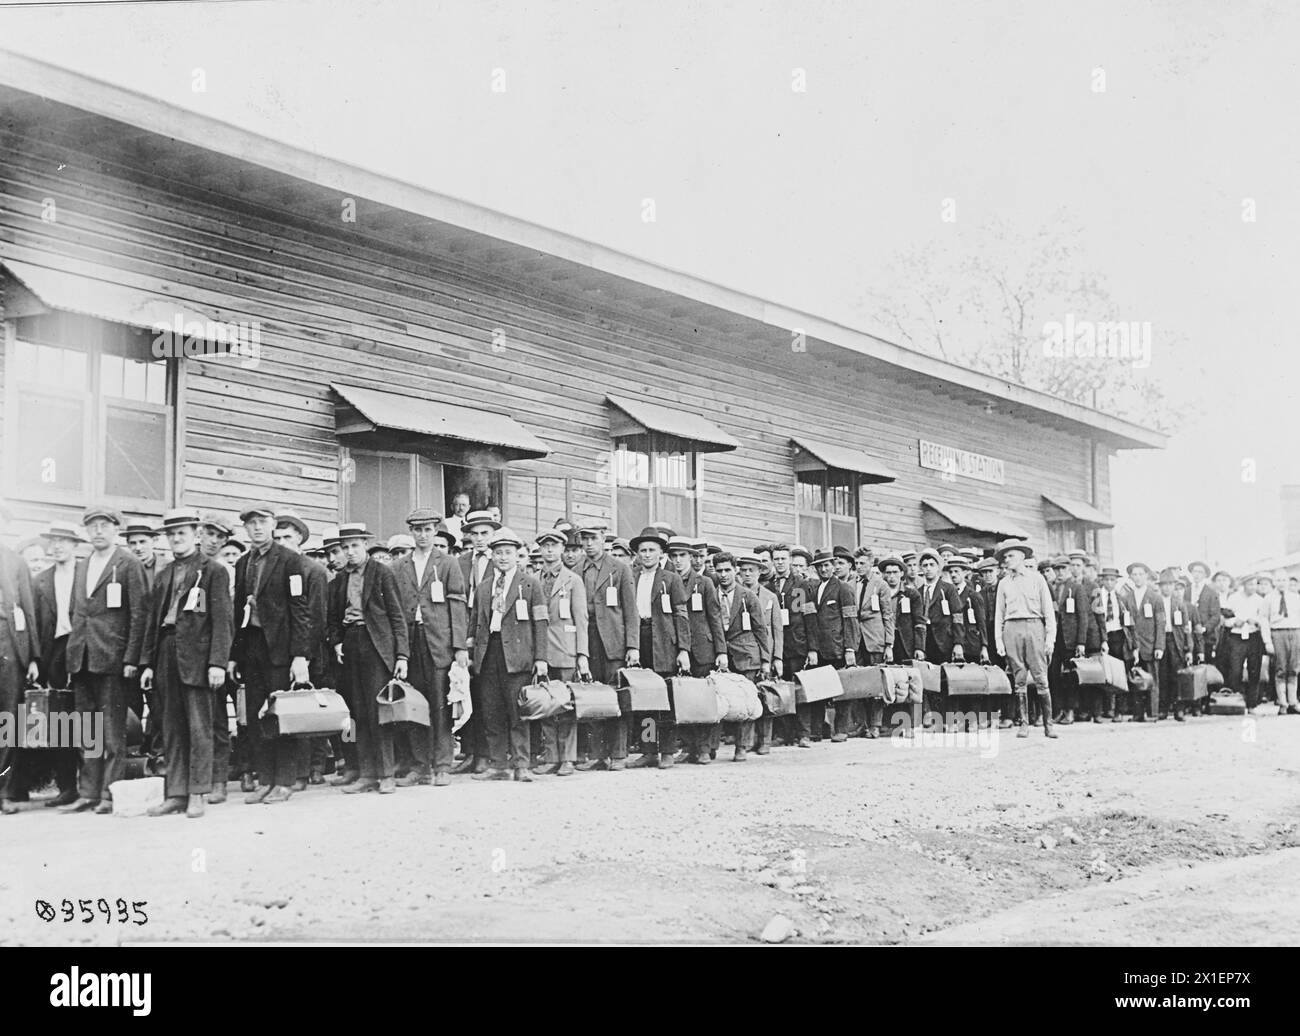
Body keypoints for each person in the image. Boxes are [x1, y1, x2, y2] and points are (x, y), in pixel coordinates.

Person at [139, 509, 234, 818]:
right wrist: (148, 664)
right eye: (171, 533)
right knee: (170, 727)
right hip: (166, 652)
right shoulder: (164, 574)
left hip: (198, 657)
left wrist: (217, 662)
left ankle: (197, 793)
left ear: (196, 534)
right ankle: (176, 792)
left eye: (182, 532)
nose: (176, 538)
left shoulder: (213, 571)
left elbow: (223, 622)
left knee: (199, 726)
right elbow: (154, 622)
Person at [62, 508, 147, 815]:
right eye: (92, 526)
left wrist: (131, 658)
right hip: (82, 657)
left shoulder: (128, 564)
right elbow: (77, 611)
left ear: (115, 529)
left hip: (112, 658)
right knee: (88, 729)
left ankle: (110, 794)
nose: (97, 531)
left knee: (112, 732)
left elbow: (139, 615)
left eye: (103, 526)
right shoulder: (83, 565)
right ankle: (88, 791)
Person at [229, 503, 313, 805]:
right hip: (252, 647)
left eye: (262, 522)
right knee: (255, 716)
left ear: (273, 525)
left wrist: (300, 657)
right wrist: (234, 655)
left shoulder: (290, 561)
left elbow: (300, 611)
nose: (256, 528)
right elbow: (239, 610)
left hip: (280, 649)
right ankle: (265, 779)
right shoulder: (243, 563)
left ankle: (284, 781)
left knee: (282, 715)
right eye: (250, 523)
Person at [328, 523, 410, 794]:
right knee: (358, 712)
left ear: (365, 545)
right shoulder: (340, 579)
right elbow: (332, 618)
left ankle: (386, 773)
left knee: (380, 712)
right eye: (345, 547)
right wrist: (338, 641)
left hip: (377, 646)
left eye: (355, 546)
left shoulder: (382, 573)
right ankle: (366, 773)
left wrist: (401, 655)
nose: (350, 552)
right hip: (352, 644)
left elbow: (397, 616)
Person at [391, 507, 470, 787]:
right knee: (414, 704)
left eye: (428, 530)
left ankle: (442, 764)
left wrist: (459, 646)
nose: (423, 535)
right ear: (411, 532)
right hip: (411, 642)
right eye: (417, 530)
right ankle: (419, 765)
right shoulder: (399, 566)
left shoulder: (448, 563)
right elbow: (396, 610)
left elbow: (458, 605)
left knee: (439, 705)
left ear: (436, 531)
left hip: (439, 642)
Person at [468, 528, 547, 782]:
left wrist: (541, 659)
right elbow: (474, 623)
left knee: (517, 712)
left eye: (508, 553)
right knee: (492, 711)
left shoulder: (530, 584)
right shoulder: (483, 588)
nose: (503, 557)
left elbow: (541, 624)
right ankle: (498, 763)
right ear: (492, 556)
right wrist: (471, 653)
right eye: (498, 553)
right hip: (489, 653)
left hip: (518, 655)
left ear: (517, 555)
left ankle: (522, 764)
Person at [274, 511, 333, 789]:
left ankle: (315, 766)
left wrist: (304, 656)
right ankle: (295, 769)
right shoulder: (273, 570)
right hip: (280, 652)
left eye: (287, 537)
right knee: (290, 710)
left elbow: (317, 618)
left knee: (313, 706)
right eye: (278, 537)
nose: (282, 542)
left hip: (310, 652)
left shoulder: (313, 571)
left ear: (299, 538)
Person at [30, 520, 85, 808]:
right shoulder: (41, 580)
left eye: (64, 541)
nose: (58, 546)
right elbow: (36, 623)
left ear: (75, 545)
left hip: (83, 649)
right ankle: (67, 786)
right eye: (54, 541)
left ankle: (91, 784)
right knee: (60, 718)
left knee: (88, 717)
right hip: (54, 652)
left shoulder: (88, 574)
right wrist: (37, 659)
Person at [576, 519, 638, 771]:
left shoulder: (619, 569)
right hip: (587, 640)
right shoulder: (577, 568)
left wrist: (632, 646)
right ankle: (598, 754)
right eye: (585, 539)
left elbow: (631, 611)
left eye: (594, 538)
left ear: (604, 539)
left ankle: (619, 754)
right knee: (593, 697)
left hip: (614, 641)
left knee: (617, 697)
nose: (589, 544)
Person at [625, 527, 690, 768]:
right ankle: (648, 749)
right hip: (639, 639)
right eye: (643, 550)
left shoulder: (670, 579)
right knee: (644, 698)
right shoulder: (631, 576)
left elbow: (682, 615)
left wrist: (683, 649)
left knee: (666, 699)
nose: (647, 554)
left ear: (661, 553)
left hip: (664, 641)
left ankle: (667, 751)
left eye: (652, 550)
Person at [533, 529, 590, 776]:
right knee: (546, 704)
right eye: (545, 546)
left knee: (566, 705)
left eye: (554, 546)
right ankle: (550, 757)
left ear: (562, 549)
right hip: (541, 651)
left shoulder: (573, 580)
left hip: (565, 650)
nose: (549, 550)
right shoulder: (533, 579)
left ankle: (568, 757)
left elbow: (582, 620)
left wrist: (582, 655)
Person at [667, 537, 727, 763]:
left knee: (703, 699)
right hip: (678, 648)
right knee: (683, 699)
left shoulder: (703, 583)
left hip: (703, 648)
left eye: (682, 556)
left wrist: (721, 651)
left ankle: (704, 747)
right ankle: (689, 746)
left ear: (691, 558)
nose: (678, 561)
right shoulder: (668, 582)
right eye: (674, 557)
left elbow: (715, 618)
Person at [0, 501, 42, 816]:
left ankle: (3, 791)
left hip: (7, 647)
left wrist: (32, 657)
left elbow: (26, 611)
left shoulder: (15, 563)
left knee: (7, 719)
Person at [452, 509, 500, 774]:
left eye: (485, 533)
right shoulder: (460, 562)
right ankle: (469, 751)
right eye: (475, 534)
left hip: (490, 637)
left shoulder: (501, 560)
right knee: (465, 692)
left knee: (486, 697)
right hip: (466, 634)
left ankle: (485, 753)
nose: (480, 539)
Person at [993, 540, 1057, 739]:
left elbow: (1048, 611)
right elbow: (999, 614)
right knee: (1019, 678)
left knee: (1040, 676)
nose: (1007, 560)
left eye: (1010, 556)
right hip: (1012, 628)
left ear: (1021, 557)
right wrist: (999, 640)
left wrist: (1050, 638)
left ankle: (1048, 724)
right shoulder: (1004, 583)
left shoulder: (1037, 579)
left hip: (1034, 626)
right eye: (1004, 557)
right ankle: (1024, 724)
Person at [713, 552, 769, 762]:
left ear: (735, 570)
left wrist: (765, 660)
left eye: (727, 570)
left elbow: (761, 629)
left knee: (746, 699)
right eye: (719, 571)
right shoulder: (712, 595)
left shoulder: (747, 596)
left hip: (746, 654)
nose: (724, 575)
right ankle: (712, 746)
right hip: (720, 655)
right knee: (721, 699)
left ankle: (742, 746)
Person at [804, 548, 857, 743]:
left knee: (842, 690)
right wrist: (812, 648)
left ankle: (841, 730)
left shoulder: (843, 589)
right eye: (820, 566)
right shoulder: (812, 590)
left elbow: (851, 620)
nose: (824, 569)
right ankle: (818, 731)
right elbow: (810, 622)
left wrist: (850, 648)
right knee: (818, 690)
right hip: (819, 650)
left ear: (833, 566)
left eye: (827, 565)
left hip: (838, 648)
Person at [768, 543, 813, 746]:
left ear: (789, 560)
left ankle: (803, 733)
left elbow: (808, 617)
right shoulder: (768, 586)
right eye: (776, 559)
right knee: (780, 690)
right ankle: (783, 734)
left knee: (799, 690)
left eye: (783, 559)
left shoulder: (800, 585)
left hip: (797, 644)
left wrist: (812, 648)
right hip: (778, 646)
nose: (779, 563)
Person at [738, 552, 780, 753]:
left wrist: (775, 657)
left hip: (765, 653)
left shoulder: (770, 597)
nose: (747, 574)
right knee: (747, 698)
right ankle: (746, 741)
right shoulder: (736, 595)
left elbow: (777, 630)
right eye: (744, 570)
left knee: (765, 696)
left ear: (759, 572)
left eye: (751, 571)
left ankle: (765, 740)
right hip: (744, 654)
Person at [852, 551, 894, 739]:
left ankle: (876, 724)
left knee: (877, 683)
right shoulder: (850, 585)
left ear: (870, 564)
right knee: (859, 681)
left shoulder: (880, 585)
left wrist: (889, 644)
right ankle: (862, 724)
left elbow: (888, 615)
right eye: (856, 563)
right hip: (857, 639)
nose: (859, 566)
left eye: (862, 563)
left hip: (874, 638)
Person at [1118, 561, 1164, 722]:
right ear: (1130, 577)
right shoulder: (1126, 598)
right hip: (1132, 644)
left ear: (1146, 576)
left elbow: (1160, 623)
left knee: (1152, 679)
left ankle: (1153, 713)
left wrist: (1159, 645)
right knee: (1136, 678)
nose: (1138, 577)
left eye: (1141, 574)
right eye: (1134, 574)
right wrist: (1131, 644)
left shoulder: (1155, 597)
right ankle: (1137, 713)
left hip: (1150, 645)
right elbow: (1125, 623)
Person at [1155, 567, 1196, 721]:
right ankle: (1163, 709)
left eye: (1170, 585)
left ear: (1174, 586)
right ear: (1160, 587)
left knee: (1178, 676)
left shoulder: (1179, 604)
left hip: (1176, 642)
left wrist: (1188, 649)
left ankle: (1179, 709)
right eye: (1164, 585)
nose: (1167, 588)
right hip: (1161, 640)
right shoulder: (1156, 601)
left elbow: (1187, 628)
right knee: (1163, 677)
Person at [1222, 574, 1267, 714]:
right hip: (1237, 637)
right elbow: (1226, 620)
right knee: (1235, 670)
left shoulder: (1260, 600)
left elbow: (1264, 620)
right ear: (1244, 584)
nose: (1253, 587)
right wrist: (1235, 621)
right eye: (1250, 584)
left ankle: (1252, 704)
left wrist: (1256, 622)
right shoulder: (1234, 598)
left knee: (1254, 670)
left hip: (1254, 637)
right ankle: (1238, 701)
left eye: (1255, 584)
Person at [1264, 572, 1300, 715]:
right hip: (1278, 633)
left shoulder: (1296, 597)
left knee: (1294, 669)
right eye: (1278, 580)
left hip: (1295, 632)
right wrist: (1267, 641)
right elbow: (1264, 620)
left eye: (1284, 580)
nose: (1281, 583)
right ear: (1274, 582)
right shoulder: (1268, 598)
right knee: (1280, 669)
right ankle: (1282, 703)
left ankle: (1293, 702)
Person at [1096, 566, 1128, 720]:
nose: (1109, 583)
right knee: (1105, 673)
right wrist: (1103, 640)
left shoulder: (1120, 598)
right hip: (1103, 636)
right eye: (1106, 579)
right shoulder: (1097, 596)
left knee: (1119, 673)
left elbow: (1127, 620)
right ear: (1102, 580)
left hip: (1118, 636)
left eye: (1112, 580)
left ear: (1116, 582)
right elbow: (1096, 620)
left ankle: (1119, 711)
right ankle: (1107, 708)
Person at [1186, 561, 1222, 671]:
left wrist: (1204, 628)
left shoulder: (1211, 593)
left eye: (1200, 572)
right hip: (1188, 636)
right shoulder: (1186, 591)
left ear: (1205, 575)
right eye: (1194, 571)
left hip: (1205, 637)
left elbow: (1216, 616)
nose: (1197, 575)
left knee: (1204, 667)